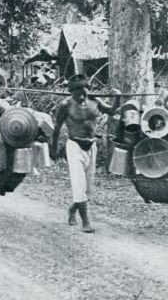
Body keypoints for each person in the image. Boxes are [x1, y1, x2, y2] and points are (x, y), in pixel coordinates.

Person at [50, 74, 120, 233]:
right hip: (74, 146)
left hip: (91, 146)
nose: (81, 96)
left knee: (87, 188)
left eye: (84, 92)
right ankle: (86, 222)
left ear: (88, 89)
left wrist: (117, 97)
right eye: (77, 93)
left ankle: (73, 209)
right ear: (71, 92)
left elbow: (112, 111)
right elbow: (56, 128)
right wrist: (53, 149)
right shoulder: (65, 105)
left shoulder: (95, 101)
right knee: (78, 185)